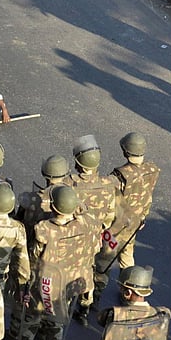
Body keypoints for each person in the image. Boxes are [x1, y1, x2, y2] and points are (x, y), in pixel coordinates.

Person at [4, 185, 100, 340]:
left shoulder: (44, 229)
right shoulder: (86, 224)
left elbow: (32, 257)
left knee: (31, 316)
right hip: (69, 281)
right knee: (57, 316)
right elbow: (95, 246)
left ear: (53, 207)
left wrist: (24, 280)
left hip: (44, 282)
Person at [68, 135, 120, 323]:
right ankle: (91, 301)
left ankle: (72, 307)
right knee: (98, 271)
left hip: (76, 238)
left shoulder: (71, 184)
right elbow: (110, 215)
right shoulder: (108, 184)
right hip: (98, 236)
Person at [91, 266, 171, 340]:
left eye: (121, 288)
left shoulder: (113, 314)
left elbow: (100, 319)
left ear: (127, 293)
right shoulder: (163, 313)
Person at [109, 132, 161, 269]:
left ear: (125, 152)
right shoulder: (152, 170)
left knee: (106, 258)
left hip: (117, 224)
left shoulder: (120, 175)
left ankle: (98, 287)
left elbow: (109, 199)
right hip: (137, 220)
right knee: (127, 253)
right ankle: (129, 285)